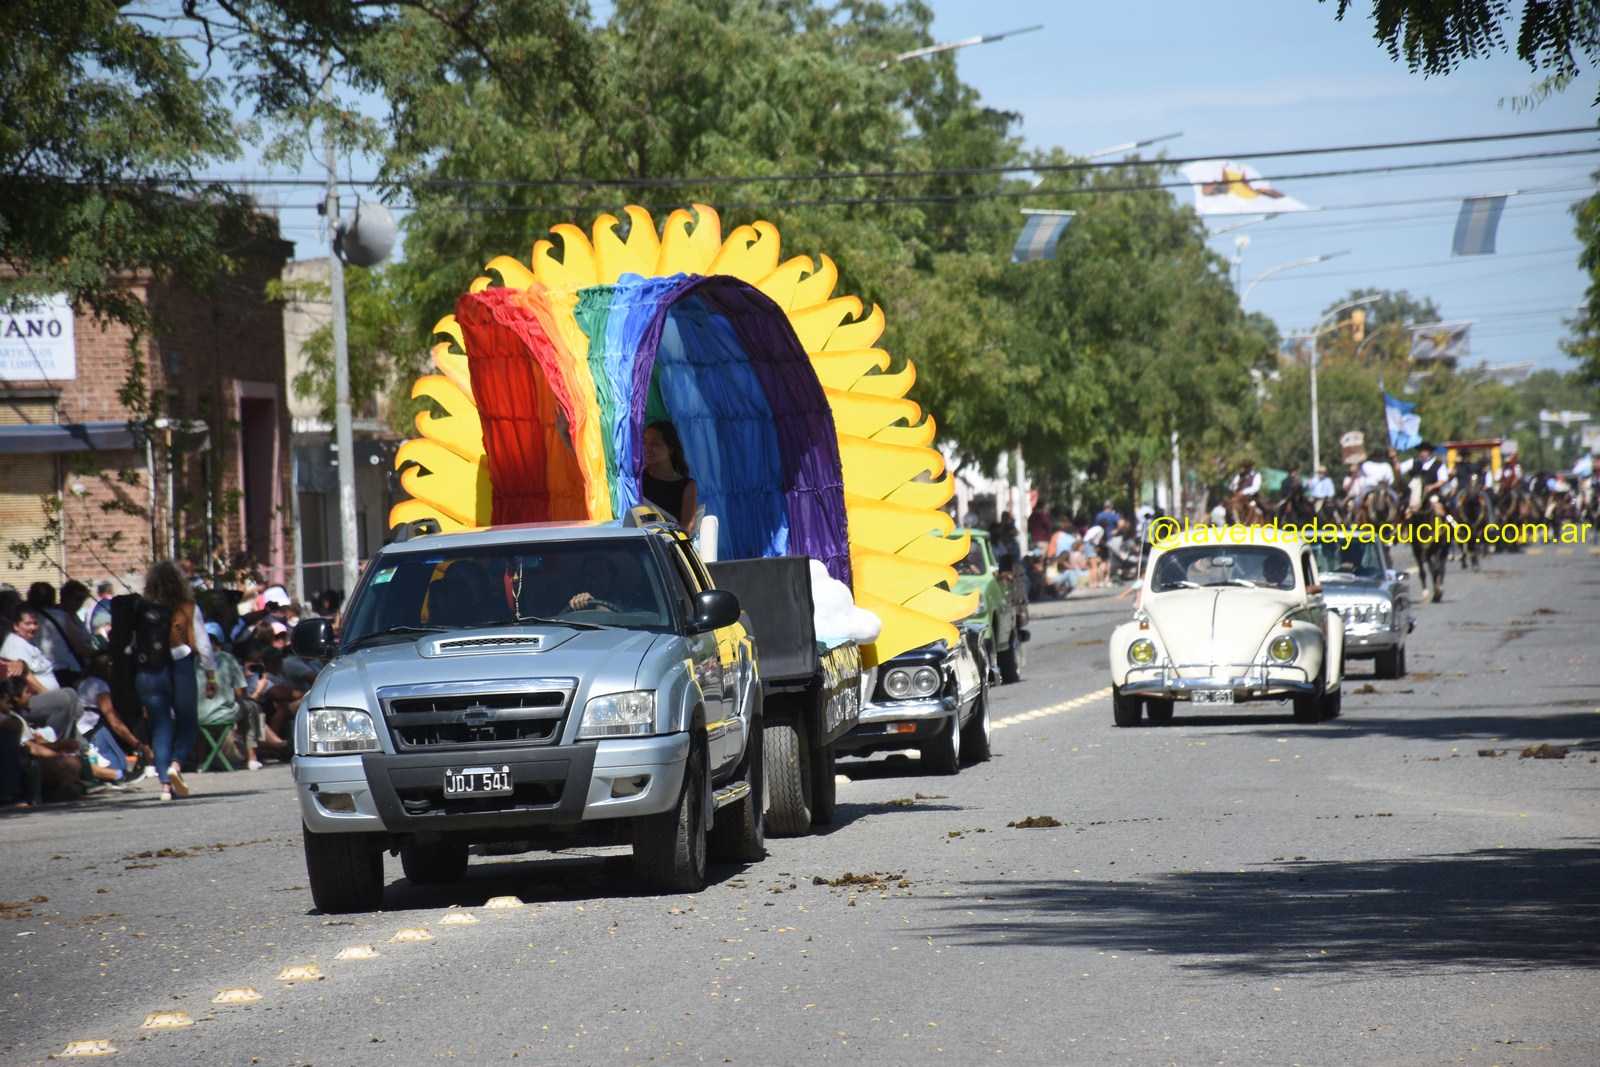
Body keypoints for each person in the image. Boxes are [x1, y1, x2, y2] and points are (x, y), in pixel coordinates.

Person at [134, 560, 217, 802]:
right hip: (180, 665)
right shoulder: (188, 607)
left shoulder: (142, 609)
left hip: (148, 671)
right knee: (188, 723)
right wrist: (211, 675)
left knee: (160, 726)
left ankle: (164, 786)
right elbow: (204, 645)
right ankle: (176, 764)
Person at [1, 606, 83, 742]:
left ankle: (78, 745)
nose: (33, 627)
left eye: (35, 623)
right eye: (28, 624)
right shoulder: (15, 646)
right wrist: (47, 693)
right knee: (63, 699)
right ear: (16, 625)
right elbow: (26, 677)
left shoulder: (28, 642)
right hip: (25, 702)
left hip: (40, 697)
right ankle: (53, 742)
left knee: (72, 697)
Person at [641, 420, 698, 531]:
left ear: (670, 448)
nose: (647, 448)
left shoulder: (687, 486)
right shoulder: (637, 478)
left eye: (654, 443)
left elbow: (687, 526)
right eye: (645, 442)